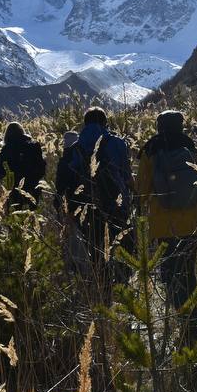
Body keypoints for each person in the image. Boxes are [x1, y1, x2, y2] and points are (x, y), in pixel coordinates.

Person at [136, 110, 197, 337]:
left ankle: (188, 324)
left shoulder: (150, 150)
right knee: (187, 272)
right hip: (193, 224)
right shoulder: (192, 149)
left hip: (164, 226)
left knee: (171, 275)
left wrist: (140, 222)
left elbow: (142, 190)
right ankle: (192, 323)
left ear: (159, 125)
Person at [54, 106, 134, 296]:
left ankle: (102, 291)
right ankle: (122, 290)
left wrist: (65, 209)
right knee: (120, 246)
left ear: (85, 123)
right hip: (116, 205)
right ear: (105, 122)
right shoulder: (117, 144)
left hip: (86, 208)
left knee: (96, 248)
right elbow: (126, 175)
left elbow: (64, 183)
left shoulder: (74, 149)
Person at [0, 121, 47, 212]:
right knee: (33, 211)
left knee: (16, 212)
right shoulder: (34, 145)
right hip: (33, 183)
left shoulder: (8, 148)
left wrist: (2, 177)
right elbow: (42, 165)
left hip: (15, 185)